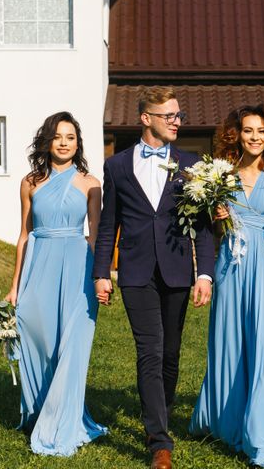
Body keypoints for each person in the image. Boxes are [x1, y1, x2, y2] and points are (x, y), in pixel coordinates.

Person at [92, 87, 215, 469]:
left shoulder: (192, 165)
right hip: (136, 271)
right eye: (170, 116)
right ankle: (159, 442)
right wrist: (101, 272)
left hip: (178, 270)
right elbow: (108, 223)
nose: (177, 122)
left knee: (171, 355)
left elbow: (205, 228)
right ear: (146, 119)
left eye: (179, 116)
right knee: (150, 350)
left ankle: (160, 411)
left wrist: (205, 274)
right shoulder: (116, 166)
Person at [189, 104, 264, 468]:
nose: (255, 137)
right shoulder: (221, 176)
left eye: (261, 131)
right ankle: (224, 421)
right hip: (231, 266)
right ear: (237, 134)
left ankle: (261, 439)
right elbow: (212, 230)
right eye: (248, 130)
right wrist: (216, 216)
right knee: (229, 344)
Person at [5, 111, 107, 455]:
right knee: (38, 338)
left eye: (71, 137)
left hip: (78, 266)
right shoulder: (30, 182)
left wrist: (98, 276)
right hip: (40, 263)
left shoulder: (91, 183)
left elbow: (95, 235)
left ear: (78, 143)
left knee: (72, 344)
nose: (64, 143)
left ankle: (62, 421)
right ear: (47, 141)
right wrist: (15, 284)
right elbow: (23, 235)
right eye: (58, 137)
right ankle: (41, 411)